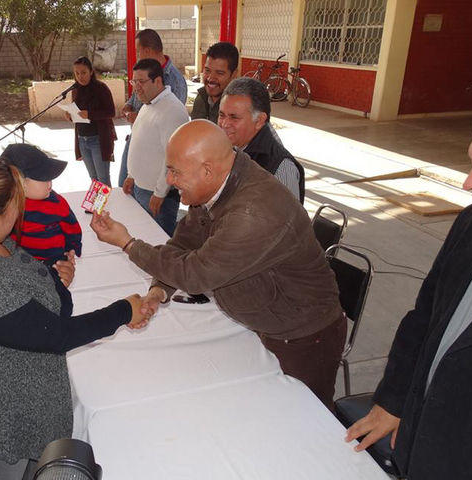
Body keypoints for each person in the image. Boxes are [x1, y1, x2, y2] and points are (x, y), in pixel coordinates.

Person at [0, 154, 147, 480]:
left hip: (24, 405)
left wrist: (55, 282)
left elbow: (40, 314)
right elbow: (57, 335)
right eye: (15, 204)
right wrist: (124, 311)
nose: (21, 210)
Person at [91, 120, 345, 408]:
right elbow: (183, 243)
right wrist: (158, 291)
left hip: (303, 337)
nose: (170, 180)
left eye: (175, 171)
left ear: (207, 170)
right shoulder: (214, 186)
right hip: (266, 321)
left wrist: (129, 244)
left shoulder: (254, 212)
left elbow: (195, 274)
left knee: (308, 418)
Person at [345, 103, 472, 480]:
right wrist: (393, 400)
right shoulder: (471, 223)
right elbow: (423, 319)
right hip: (417, 438)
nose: (468, 182)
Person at [123, 58, 190, 236]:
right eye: (134, 81)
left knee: (158, 242)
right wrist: (131, 176)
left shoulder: (173, 110)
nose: (136, 87)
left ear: (158, 81)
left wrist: (160, 193)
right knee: (142, 238)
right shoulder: (148, 103)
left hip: (157, 195)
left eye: (141, 81)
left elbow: (173, 158)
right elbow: (141, 142)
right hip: (140, 188)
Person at [118, 28, 188, 187]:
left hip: (155, 155)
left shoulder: (175, 81)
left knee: (148, 205)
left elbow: (171, 131)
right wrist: (129, 105)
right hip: (137, 139)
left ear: (147, 50)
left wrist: (160, 191)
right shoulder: (143, 71)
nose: (136, 56)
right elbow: (136, 97)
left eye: (138, 51)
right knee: (126, 190)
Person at [218, 77, 305, 202]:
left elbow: (286, 220)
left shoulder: (281, 168)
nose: (224, 124)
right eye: (221, 115)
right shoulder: (226, 148)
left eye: (234, 117)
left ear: (259, 121)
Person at [0, 143, 82, 262]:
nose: (50, 183)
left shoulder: (56, 203)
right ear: (19, 181)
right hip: (19, 264)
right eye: (43, 178)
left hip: (54, 262)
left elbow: (71, 228)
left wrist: (72, 248)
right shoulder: (5, 206)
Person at [69, 56, 116, 186]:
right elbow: (76, 111)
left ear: (91, 71)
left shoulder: (101, 88)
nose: (80, 76)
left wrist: (90, 114)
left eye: (83, 72)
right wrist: (70, 115)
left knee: (103, 180)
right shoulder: (75, 89)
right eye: (77, 73)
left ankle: (107, 206)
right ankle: (98, 206)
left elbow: (111, 112)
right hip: (82, 139)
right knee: (94, 179)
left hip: (98, 139)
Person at [190, 42, 238, 123]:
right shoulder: (201, 96)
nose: (210, 78)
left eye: (219, 73)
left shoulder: (237, 107)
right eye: (207, 70)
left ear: (233, 75)